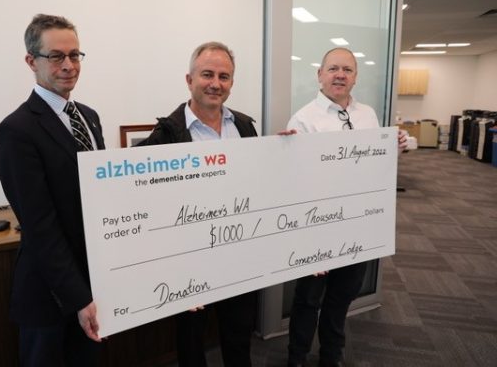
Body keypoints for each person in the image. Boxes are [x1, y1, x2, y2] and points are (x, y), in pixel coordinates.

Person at [137, 42, 257, 367]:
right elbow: (147, 202)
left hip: (238, 254)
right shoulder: (165, 135)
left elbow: (258, 183)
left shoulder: (245, 127)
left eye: (224, 76)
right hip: (189, 261)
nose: (216, 83)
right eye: (207, 74)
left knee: (239, 334)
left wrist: (284, 152)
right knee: (191, 343)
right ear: (189, 80)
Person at [285, 47, 407, 367]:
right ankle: (296, 358)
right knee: (308, 300)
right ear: (320, 74)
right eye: (333, 68)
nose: (340, 75)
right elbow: (297, 181)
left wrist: (393, 147)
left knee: (342, 298)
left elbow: (376, 165)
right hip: (318, 224)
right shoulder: (303, 118)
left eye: (347, 70)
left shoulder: (367, 114)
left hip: (358, 223)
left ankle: (331, 356)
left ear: (355, 77)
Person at [0, 14, 105, 367]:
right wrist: (78, 298)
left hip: (93, 284)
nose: (69, 65)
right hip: (50, 294)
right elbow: (41, 227)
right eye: (56, 56)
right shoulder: (17, 130)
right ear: (31, 61)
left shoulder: (89, 117)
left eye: (75, 55)